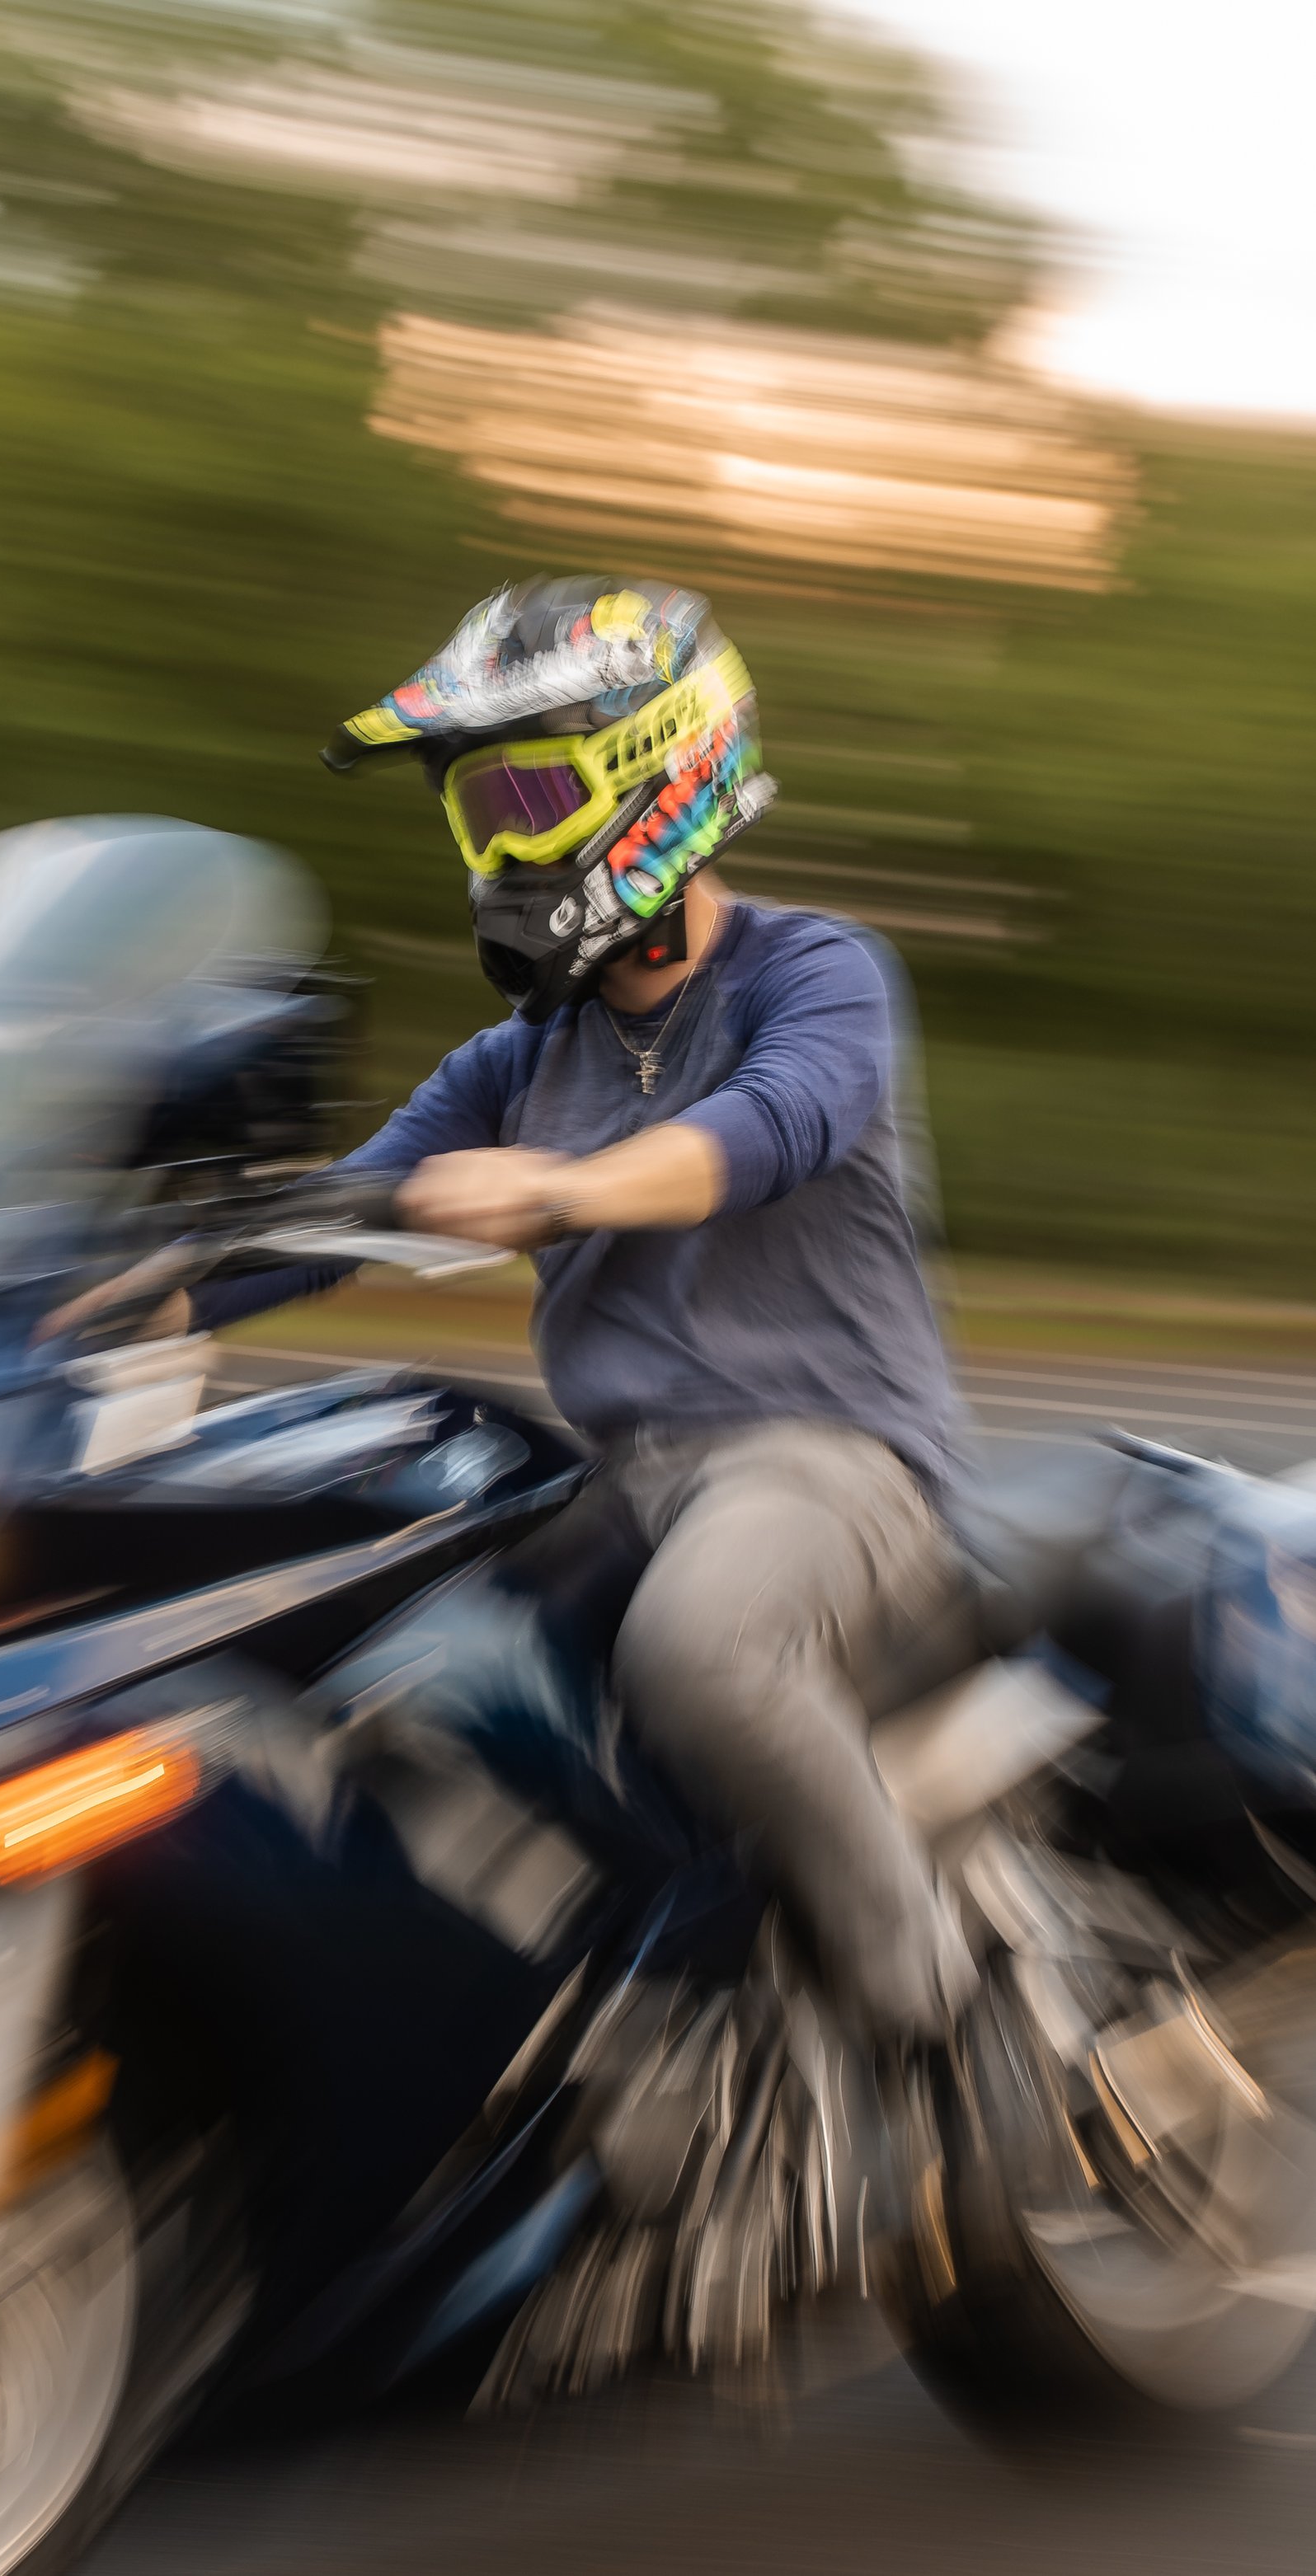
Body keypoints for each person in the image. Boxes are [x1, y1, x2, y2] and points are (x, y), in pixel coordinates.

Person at [118, 575, 977, 2043]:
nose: (499, 844)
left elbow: (778, 1126)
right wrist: (130, 1290)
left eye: (525, 792)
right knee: (374, 1665)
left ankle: (938, 2016)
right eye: (473, 808)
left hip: (832, 1462)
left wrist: (561, 1189)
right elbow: (347, 1210)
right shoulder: (514, 1058)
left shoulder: (814, 971)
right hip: (618, 1480)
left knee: (700, 1654)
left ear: (660, 767)